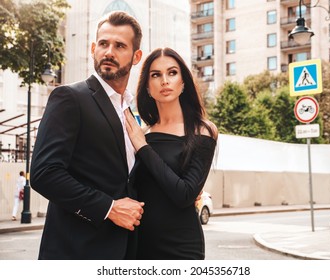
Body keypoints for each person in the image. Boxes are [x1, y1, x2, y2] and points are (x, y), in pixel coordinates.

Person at [30, 11, 144, 260]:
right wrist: (109, 208)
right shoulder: (70, 97)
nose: (109, 52)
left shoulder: (129, 112)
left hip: (123, 253)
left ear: (136, 56)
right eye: (103, 44)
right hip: (75, 252)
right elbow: (43, 173)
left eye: (120, 46)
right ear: (93, 48)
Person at [124, 47, 218, 259]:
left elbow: (185, 194)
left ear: (183, 82)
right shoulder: (142, 133)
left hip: (181, 248)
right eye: (156, 75)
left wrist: (143, 148)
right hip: (138, 245)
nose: (164, 80)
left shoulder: (203, 130)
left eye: (172, 73)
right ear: (147, 87)